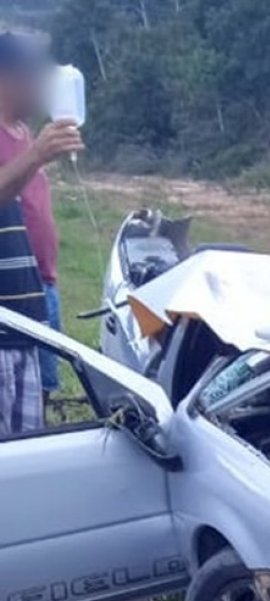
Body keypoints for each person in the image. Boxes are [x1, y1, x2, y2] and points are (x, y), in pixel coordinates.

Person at [0, 31, 82, 434]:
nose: (44, 84)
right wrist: (36, 155)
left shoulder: (25, 131)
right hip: (4, 312)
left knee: (32, 423)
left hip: (34, 292)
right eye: (35, 74)